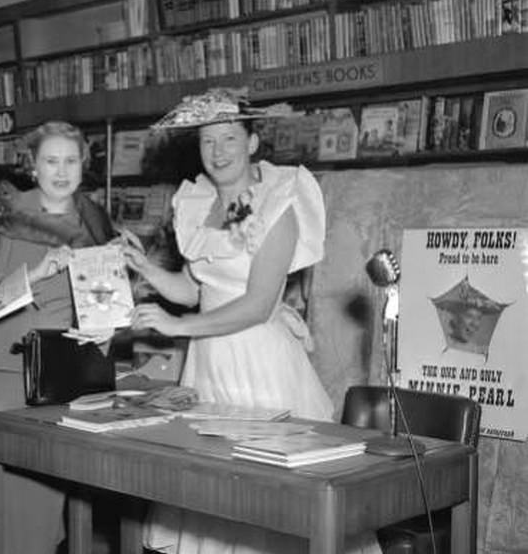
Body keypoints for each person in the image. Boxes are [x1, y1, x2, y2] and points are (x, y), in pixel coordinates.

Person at [122, 88, 381, 554]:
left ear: (252, 143)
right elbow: (198, 288)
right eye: (207, 141)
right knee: (214, 498)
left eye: (229, 139)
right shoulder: (198, 203)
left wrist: (178, 327)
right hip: (209, 364)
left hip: (259, 364)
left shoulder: (278, 203)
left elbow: (259, 303)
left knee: (270, 501)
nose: (218, 152)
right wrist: (147, 271)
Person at [0, 120, 115, 554]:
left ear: (84, 164)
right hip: (1, 368)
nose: (60, 171)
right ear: (32, 166)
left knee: (43, 503)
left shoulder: (96, 218)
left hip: (57, 376)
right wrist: (37, 271)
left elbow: (108, 299)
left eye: (70, 160)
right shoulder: (7, 215)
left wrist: (108, 327)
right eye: (50, 161)